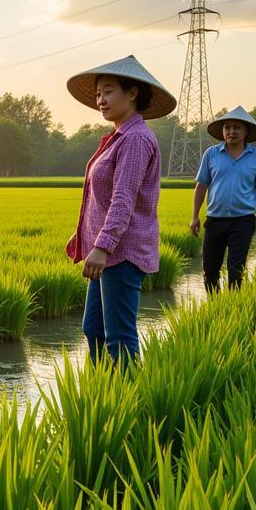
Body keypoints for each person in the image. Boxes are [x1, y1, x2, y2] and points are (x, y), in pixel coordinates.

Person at [64, 55, 176, 365]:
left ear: (132, 93)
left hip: (122, 253)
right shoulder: (118, 137)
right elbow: (100, 197)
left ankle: (127, 401)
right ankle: (103, 391)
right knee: (93, 329)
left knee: (119, 336)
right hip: (108, 251)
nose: (100, 100)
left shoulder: (136, 139)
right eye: (98, 93)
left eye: (109, 91)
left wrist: (102, 246)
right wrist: (83, 234)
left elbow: (123, 199)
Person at [190, 105, 256, 292]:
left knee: (236, 270)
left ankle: (232, 308)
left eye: (237, 127)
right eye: (227, 127)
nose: (231, 131)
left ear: (246, 132)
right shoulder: (211, 154)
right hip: (215, 220)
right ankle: (215, 308)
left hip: (242, 221)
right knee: (210, 270)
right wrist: (194, 216)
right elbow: (201, 186)